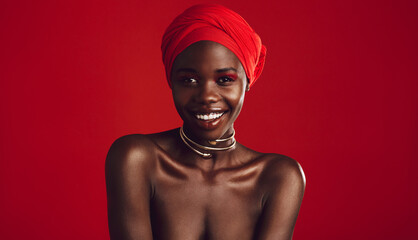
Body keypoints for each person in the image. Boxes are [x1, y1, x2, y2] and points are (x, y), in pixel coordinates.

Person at [106, 4, 305, 240]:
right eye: (189, 79)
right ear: (171, 80)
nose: (206, 97)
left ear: (248, 80)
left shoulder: (278, 177)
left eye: (224, 79)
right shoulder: (136, 159)